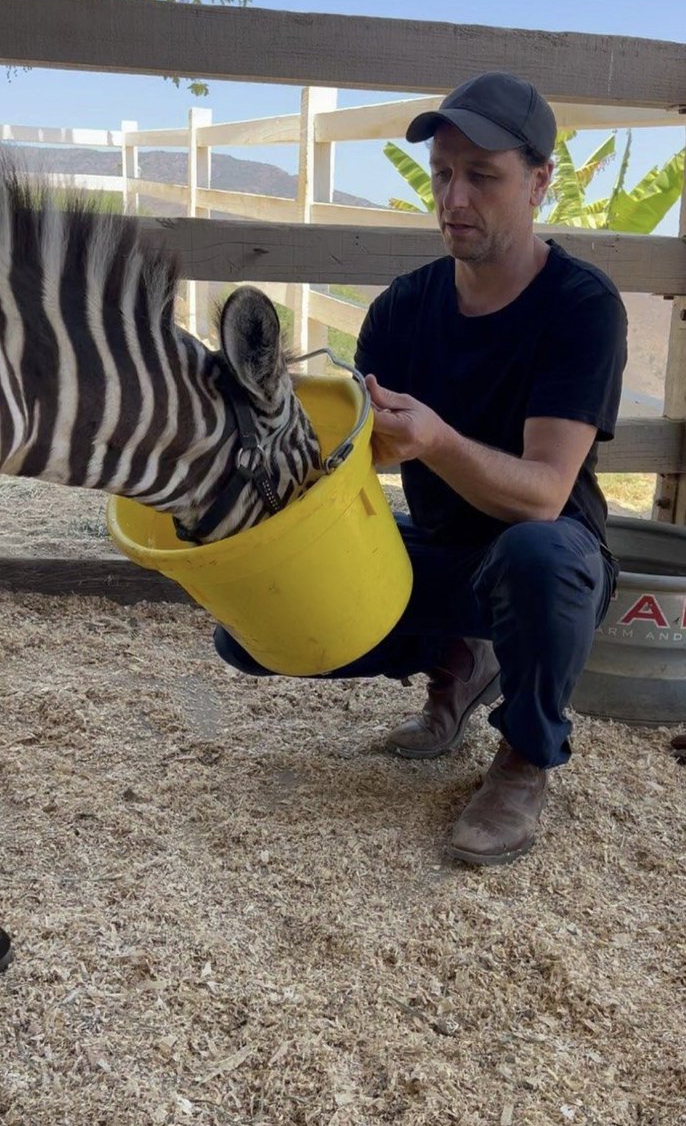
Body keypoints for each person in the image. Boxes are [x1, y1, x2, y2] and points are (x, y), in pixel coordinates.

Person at [214, 70, 627, 866]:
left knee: (538, 558)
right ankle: (460, 658)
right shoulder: (402, 308)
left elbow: (544, 496)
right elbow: (347, 472)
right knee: (246, 639)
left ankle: (526, 759)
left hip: (548, 556)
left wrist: (435, 442)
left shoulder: (582, 306)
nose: (453, 199)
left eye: (483, 175)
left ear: (540, 182)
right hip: (436, 557)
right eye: (442, 174)